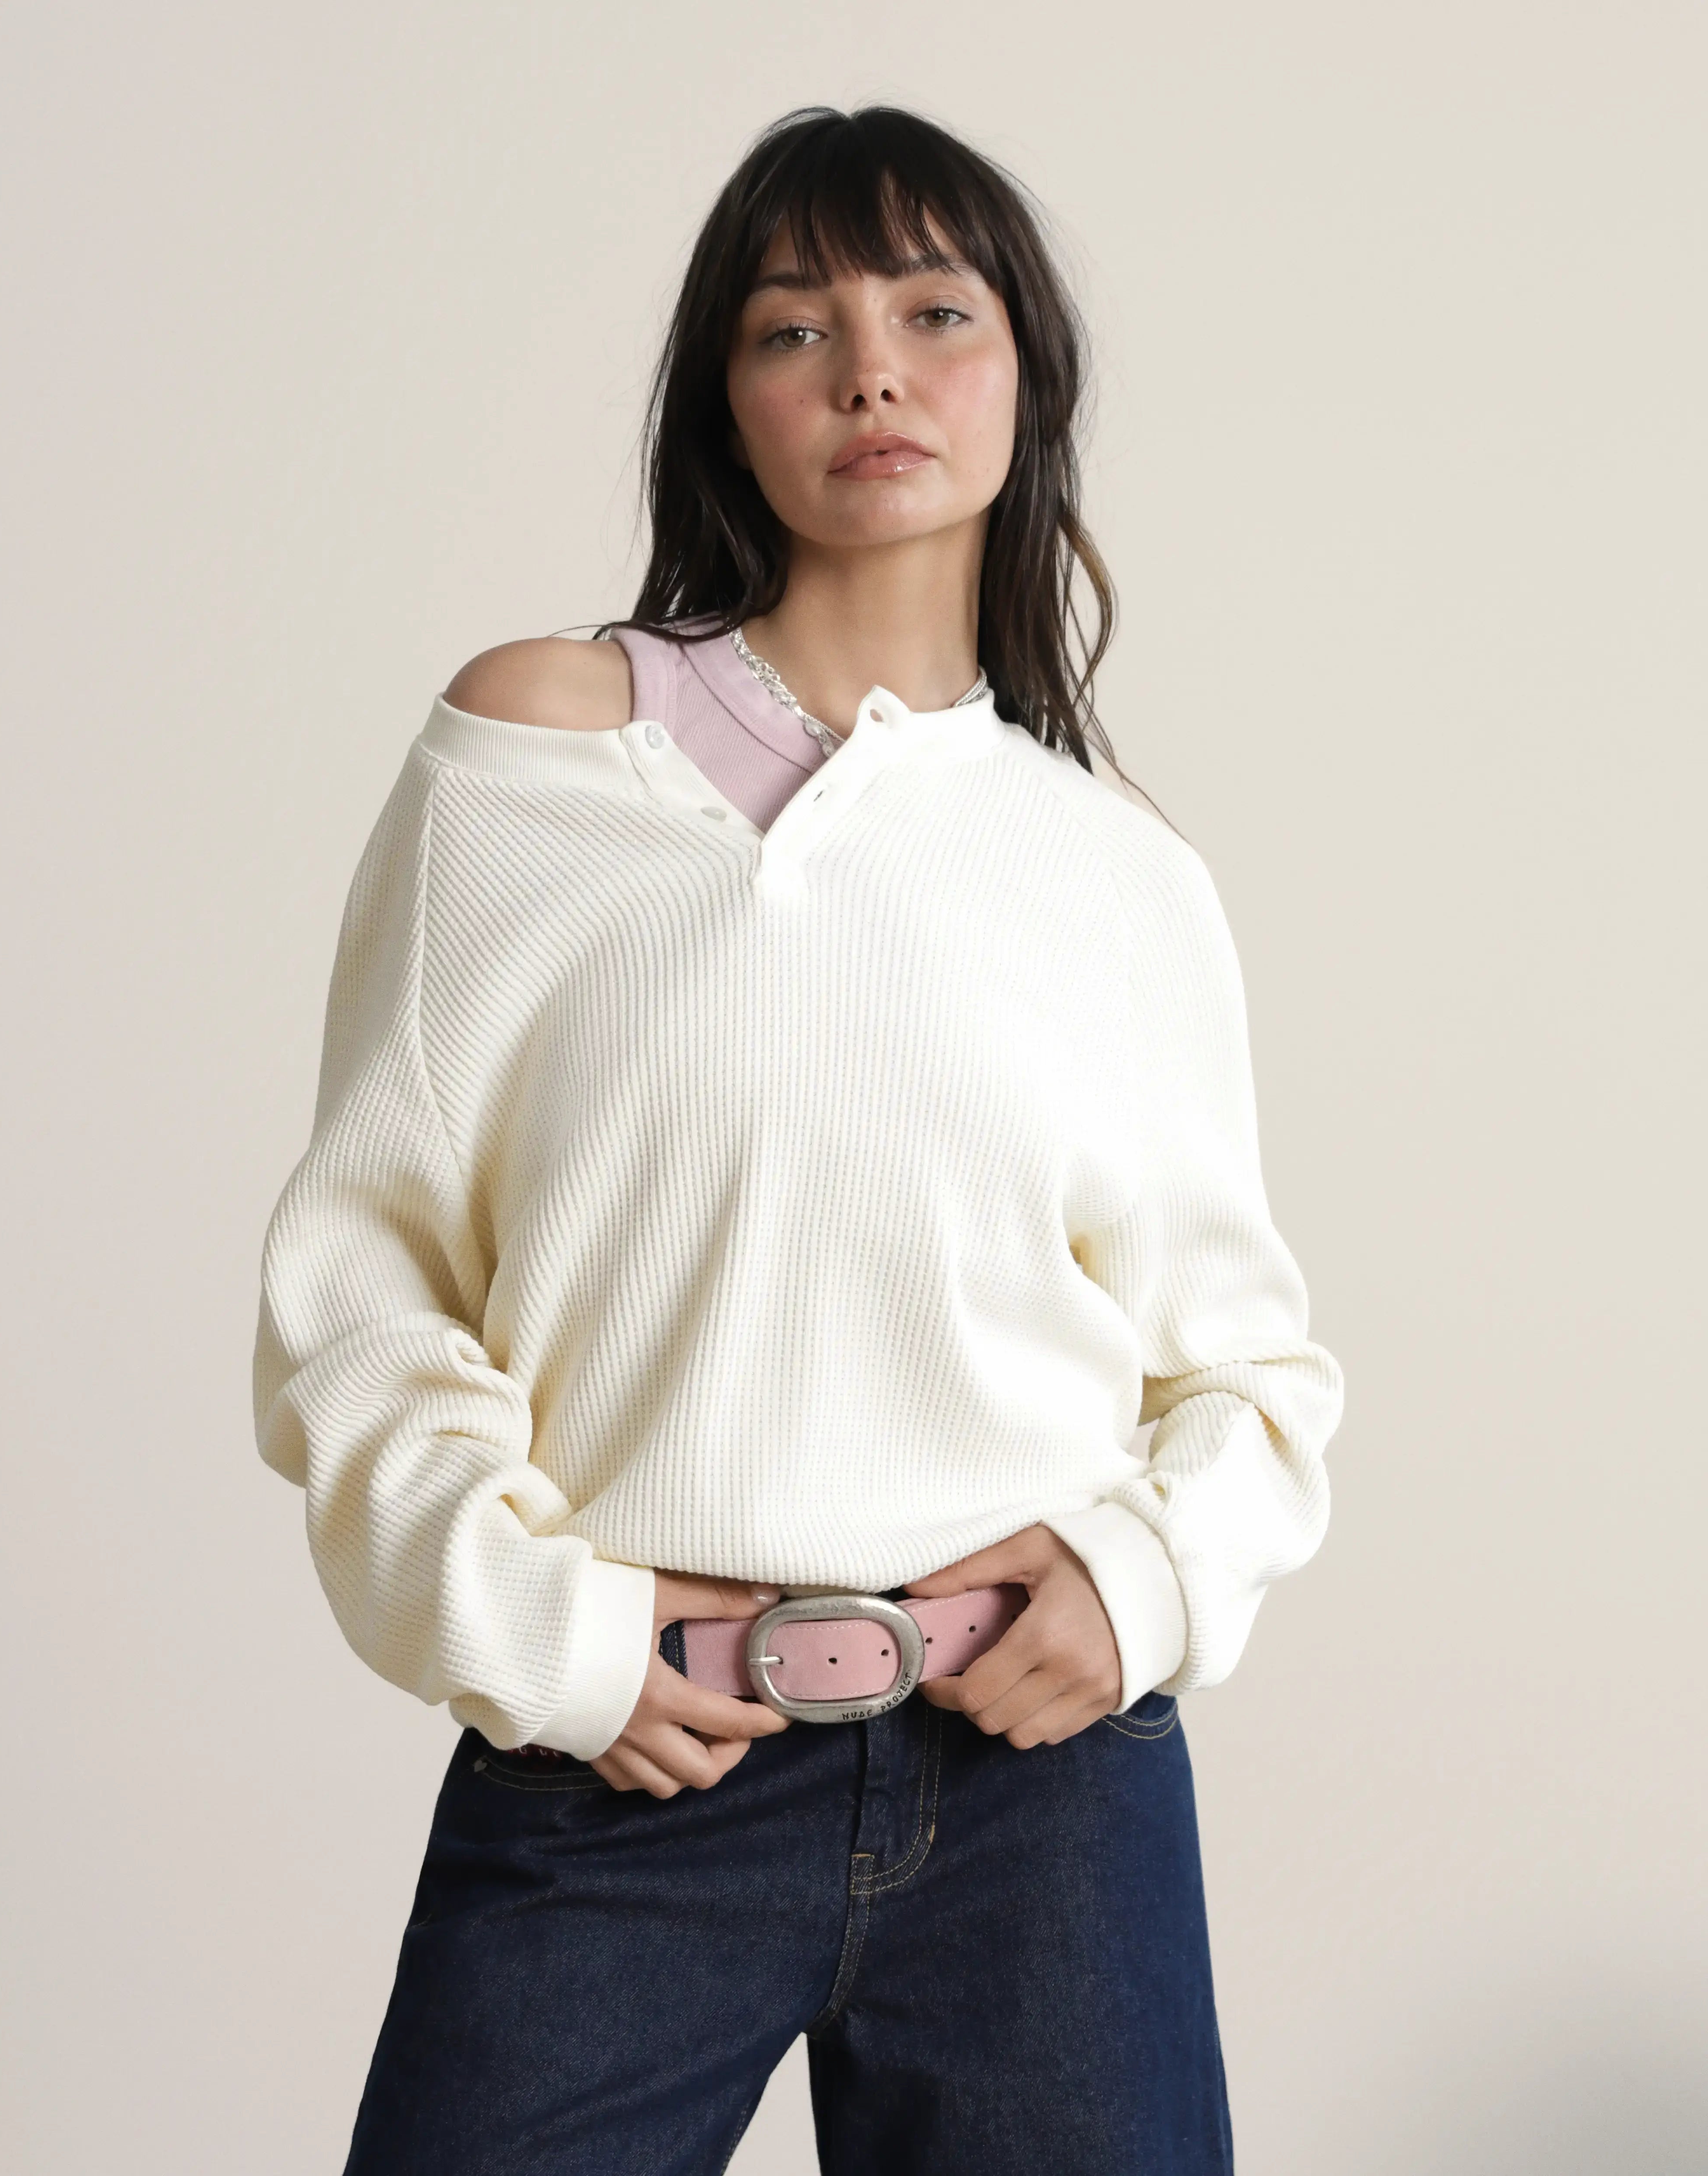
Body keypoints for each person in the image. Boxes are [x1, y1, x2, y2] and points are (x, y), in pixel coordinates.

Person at [253, 102, 1344, 2176]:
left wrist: (1139, 1578)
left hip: (1041, 1795)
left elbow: (1250, 1372)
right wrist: (544, 1636)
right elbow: (361, 1282)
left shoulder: (1117, 874)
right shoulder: (536, 755)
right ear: (724, 405)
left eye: (934, 313)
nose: (868, 372)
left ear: (1023, 374)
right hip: (627, 1763)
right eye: (793, 328)